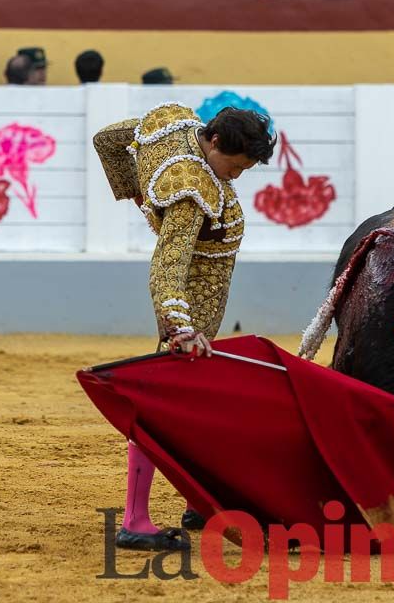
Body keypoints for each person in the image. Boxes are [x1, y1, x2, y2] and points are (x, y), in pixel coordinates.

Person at [91, 103, 275, 551]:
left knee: (194, 404)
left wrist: (138, 194)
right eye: (234, 166)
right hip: (193, 305)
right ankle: (135, 519)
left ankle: (198, 502)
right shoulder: (190, 194)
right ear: (214, 142)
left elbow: (107, 140)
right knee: (164, 411)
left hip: (197, 307)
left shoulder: (176, 127)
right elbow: (167, 267)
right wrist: (179, 326)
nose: (236, 177)